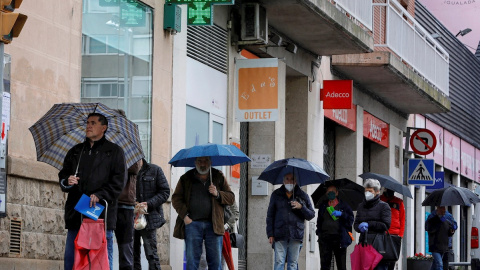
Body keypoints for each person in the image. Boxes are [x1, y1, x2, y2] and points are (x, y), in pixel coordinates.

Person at [59, 112, 127, 270]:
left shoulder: (115, 152)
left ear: (103, 128)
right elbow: (63, 175)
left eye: (93, 123)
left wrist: (100, 194)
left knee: (99, 261)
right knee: (72, 259)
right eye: (88, 122)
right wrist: (68, 181)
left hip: (100, 215)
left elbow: (119, 182)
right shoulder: (76, 151)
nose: (88, 126)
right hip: (76, 213)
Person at [172, 156, 235, 270]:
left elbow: (231, 198)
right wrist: (185, 216)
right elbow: (176, 198)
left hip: (214, 225)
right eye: (199, 161)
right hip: (193, 224)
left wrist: (218, 194)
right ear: (195, 162)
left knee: (215, 263)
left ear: (210, 162)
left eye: (206, 161)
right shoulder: (186, 178)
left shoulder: (218, 176)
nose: (202, 164)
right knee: (192, 262)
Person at [266, 173, 315, 270]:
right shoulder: (276, 194)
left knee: (292, 263)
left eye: (292, 179)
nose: (289, 181)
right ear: (283, 181)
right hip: (279, 233)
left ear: (295, 181)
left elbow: (311, 215)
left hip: (296, 234)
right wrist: (270, 234)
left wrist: (301, 207)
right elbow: (270, 215)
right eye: (287, 179)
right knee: (279, 261)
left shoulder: (302, 195)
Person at [133, 158, 171, 270]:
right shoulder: (126, 171)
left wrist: (149, 203)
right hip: (130, 217)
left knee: (151, 254)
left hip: (149, 219)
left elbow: (165, 192)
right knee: (132, 255)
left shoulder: (155, 170)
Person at [354, 178, 391, 270]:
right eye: (366, 191)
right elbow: (356, 224)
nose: (367, 193)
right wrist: (359, 227)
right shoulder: (361, 206)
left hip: (378, 245)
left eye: (370, 191)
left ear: (377, 192)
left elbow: (385, 225)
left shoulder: (384, 206)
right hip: (363, 244)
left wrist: (369, 224)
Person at [316, 184, 354, 270]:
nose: (331, 193)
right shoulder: (323, 206)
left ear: (337, 193)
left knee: (341, 265)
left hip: (339, 238)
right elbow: (319, 221)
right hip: (325, 239)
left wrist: (341, 214)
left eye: (333, 192)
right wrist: (319, 233)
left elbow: (350, 220)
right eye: (329, 192)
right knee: (325, 265)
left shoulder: (344, 205)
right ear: (326, 193)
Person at [116, 159, 142, 270]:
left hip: (125, 203)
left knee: (126, 249)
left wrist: (112, 163)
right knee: (104, 245)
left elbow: (135, 167)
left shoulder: (131, 148)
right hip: (107, 201)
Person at [425, 206, 457, 270]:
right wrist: (438, 219)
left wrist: (452, 230)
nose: (443, 210)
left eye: (444, 208)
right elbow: (428, 228)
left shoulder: (448, 217)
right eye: (441, 209)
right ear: (438, 209)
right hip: (435, 245)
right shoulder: (432, 217)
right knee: (439, 264)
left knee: (436, 265)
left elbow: (452, 227)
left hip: (444, 245)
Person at [380, 188, 405, 270]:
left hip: (394, 235)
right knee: (381, 259)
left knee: (392, 259)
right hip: (382, 234)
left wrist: (400, 234)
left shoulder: (399, 202)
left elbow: (402, 219)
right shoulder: (380, 199)